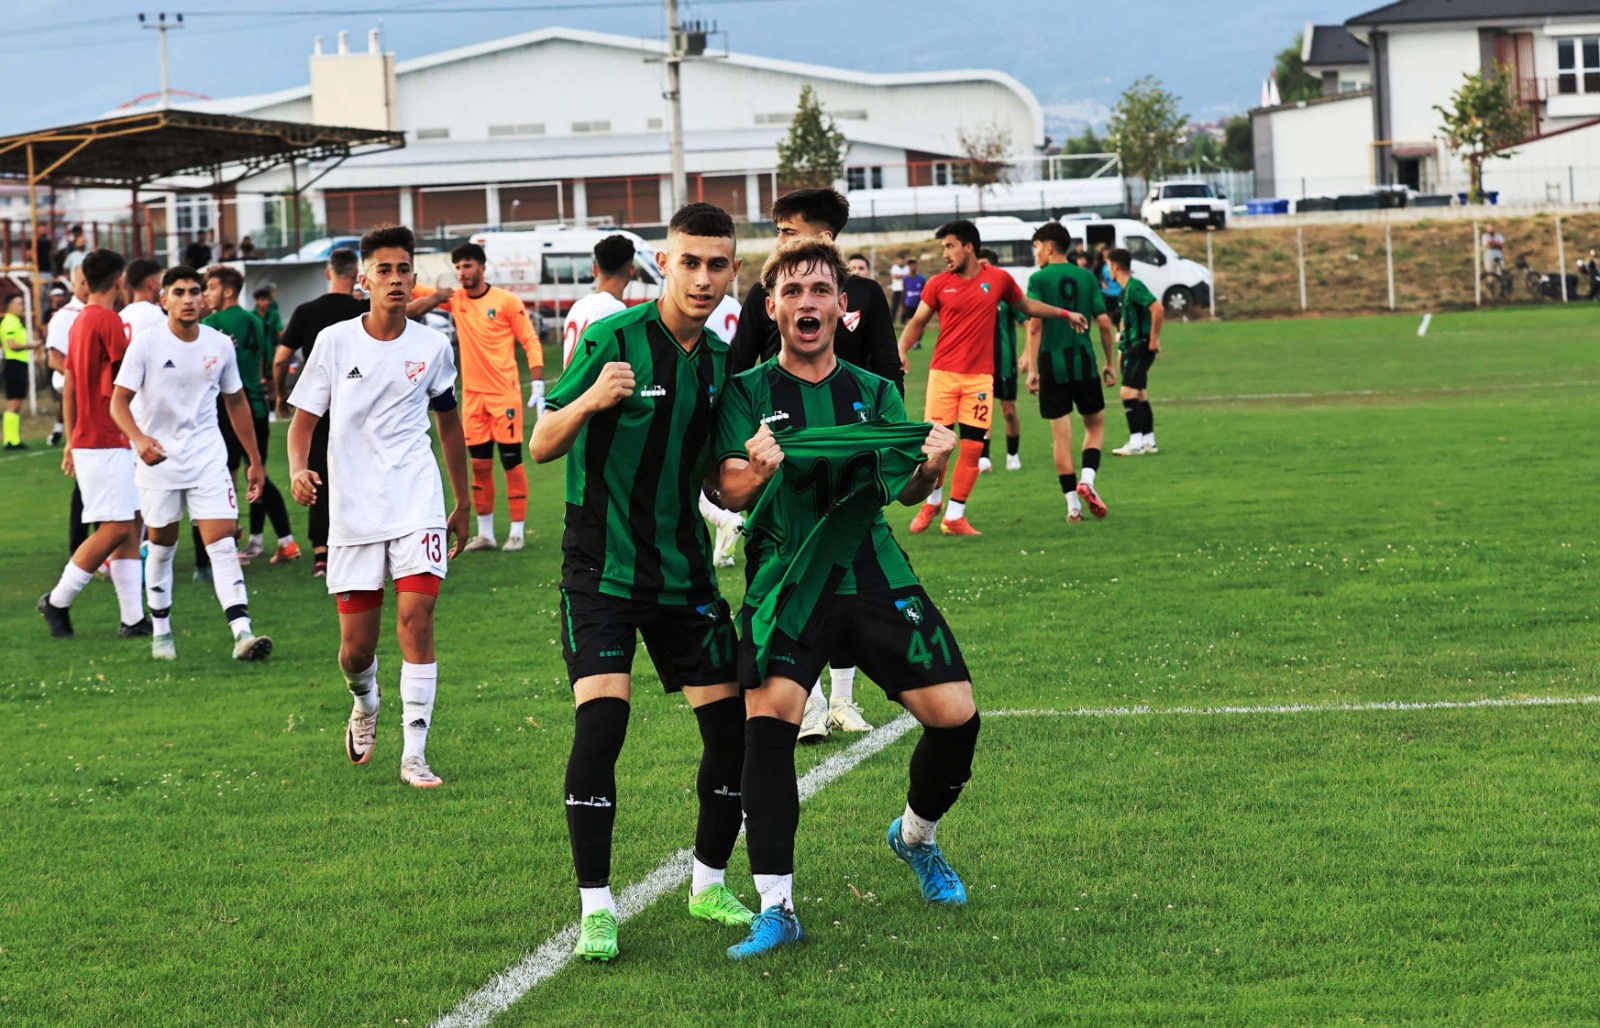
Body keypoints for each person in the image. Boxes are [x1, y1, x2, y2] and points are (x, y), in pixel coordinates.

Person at [714, 238, 972, 960]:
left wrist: (929, 467)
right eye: (792, 291)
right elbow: (725, 487)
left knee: (956, 721)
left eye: (820, 290)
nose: (807, 302)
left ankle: (916, 838)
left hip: (872, 573)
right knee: (769, 728)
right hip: (786, 581)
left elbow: (906, 488)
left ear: (842, 308)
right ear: (772, 309)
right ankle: (777, 907)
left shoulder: (877, 392)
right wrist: (755, 472)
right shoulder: (749, 392)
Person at [530, 203, 749, 964]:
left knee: (731, 735)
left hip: (684, 572)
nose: (702, 278)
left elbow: (725, 490)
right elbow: (542, 441)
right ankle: (596, 906)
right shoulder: (610, 339)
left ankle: (709, 882)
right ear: (665, 260)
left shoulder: (723, 366)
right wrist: (590, 399)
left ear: (732, 271)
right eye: (690, 262)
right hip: (601, 572)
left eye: (717, 264)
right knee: (603, 726)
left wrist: (758, 467)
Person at [287, 224, 470, 790]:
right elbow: (302, 423)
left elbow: (449, 426)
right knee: (354, 650)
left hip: (416, 498)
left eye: (404, 269)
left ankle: (415, 754)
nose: (395, 279)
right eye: (384, 270)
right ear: (362, 277)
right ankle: (365, 701)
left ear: (415, 277)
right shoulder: (335, 342)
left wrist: (462, 500)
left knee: (416, 619)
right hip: (353, 512)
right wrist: (298, 468)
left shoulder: (433, 346)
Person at [728, 187, 901, 741]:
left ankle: (843, 701)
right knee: (790, 583)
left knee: (848, 574)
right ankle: (805, 701)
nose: (779, 240)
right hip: (787, 465)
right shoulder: (771, 295)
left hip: (850, 474)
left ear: (822, 237)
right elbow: (742, 363)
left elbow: (886, 365)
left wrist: (891, 439)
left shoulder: (865, 294)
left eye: (788, 230)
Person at [111, 265, 272, 662]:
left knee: (222, 542)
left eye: (195, 292)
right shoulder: (147, 345)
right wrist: (140, 439)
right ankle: (162, 632)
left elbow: (235, 402)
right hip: (159, 464)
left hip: (208, 459)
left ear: (204, 298)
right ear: (163, 299)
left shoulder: (220, 344)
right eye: (178, 292)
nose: (188, 299)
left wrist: (254, 460)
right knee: (163, 548)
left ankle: (242, 633)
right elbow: (118, 402)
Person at [897, 219, 1087, 536]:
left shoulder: (998, 280)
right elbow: (918, 321)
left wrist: (1065, 313)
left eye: (949, 246)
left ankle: (955, 516)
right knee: (936, 449)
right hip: (943, 376)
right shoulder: (938, 284)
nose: (945, 253)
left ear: (968, 246)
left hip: (980, 380)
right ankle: (932, 501)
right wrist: (901, 350)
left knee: (972, 448)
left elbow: (1026, 306)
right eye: (943, 247)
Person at [36, 250, 149, 639]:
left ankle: (133, 619)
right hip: (106, 436)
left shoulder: (80, 321)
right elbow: (127, 383)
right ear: (119, 281)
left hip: (91, 436)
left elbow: (68, 386)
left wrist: (70, 437)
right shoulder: (108, 321)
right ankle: (58, 599)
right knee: (117, 526)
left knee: (130, 523)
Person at [409, 242, 542, 552]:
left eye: (467, 266)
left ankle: (518, 532)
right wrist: (400, 275)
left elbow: (530, 341)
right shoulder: (457, 301)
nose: (462, 273)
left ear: (482, 267)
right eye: (458, 268)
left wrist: (536, 383)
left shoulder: (506, 301)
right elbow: (419, 291)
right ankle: (486, 535)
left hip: (504, 396)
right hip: (472, 399)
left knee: (512, 464)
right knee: (479, 466)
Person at [275, 247, 367, 578]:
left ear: (329, 273)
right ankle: (362, 543)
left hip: (318, 404)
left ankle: (321, 554)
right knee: (361, 471)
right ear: (356, 275)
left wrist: (279, 394)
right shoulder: (364, 310)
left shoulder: (305, 311)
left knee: (316, 474)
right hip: (358, 403)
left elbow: (280, 358)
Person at [202, 266, 297, 564]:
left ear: (228, 291)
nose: (205, 294)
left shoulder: (210, 323)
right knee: (256, 473)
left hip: (227, 407)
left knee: (224, 477)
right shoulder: (256, 321)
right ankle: (271, 540)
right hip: (256, 406)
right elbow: (269, 361)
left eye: (211, 287)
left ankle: (229, 545)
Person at [1024, 223, 1118, 522]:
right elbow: (1104, 323)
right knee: (1095, 426)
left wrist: (1032, 368)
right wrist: (1109, 363)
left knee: (1061, 438)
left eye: (1037, 246)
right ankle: (1087, 481)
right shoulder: (1087, 276)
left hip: (1053, 365)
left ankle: (1072, 507)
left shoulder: (1038, 278)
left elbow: (1035, 324)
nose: (1036, 253)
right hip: (1083, 362)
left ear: (1049, 247)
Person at [1107, 247, 1164, 456]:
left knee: (1127, 392)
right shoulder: (1125, 290)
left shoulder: (1135, 286)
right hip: (1131, 346)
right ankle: (1149, 441)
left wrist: (1153, 338)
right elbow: (1125, 321)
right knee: (1139, 394)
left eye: (1108, 265)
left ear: (1115, 266)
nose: (1107, 270)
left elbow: (1157, 308)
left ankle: (1136, 442)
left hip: (1140, 346)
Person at [974, 247, 1025, 474]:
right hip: (979, 364)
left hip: (1005, 362)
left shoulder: (1006, 294)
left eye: (985, 264)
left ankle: (1013, 454)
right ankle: (984, 456)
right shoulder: (974, 293)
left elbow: (1029, 321)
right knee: (982, 410)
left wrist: (1027, 354)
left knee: (1008, 410)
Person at [561, 234, 634, 369]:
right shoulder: (616, 310)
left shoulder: (577, 307)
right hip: (595, 388)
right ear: (631, 270)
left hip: (572, 388)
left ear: (595, 269)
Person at [3, 293, 36, 450]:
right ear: (10, 305)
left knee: (17, 403)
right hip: (14, 364)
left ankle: (13, 439)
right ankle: (10, 440)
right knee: (14, 403)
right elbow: (11, 345)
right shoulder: (9, 322)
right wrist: (31, 345)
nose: (22, 306)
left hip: (19, 364)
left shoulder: (15, 321)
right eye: (19, 303)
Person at [120, 258, 168, 342]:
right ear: (151, 283)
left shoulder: (121, 315)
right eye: (160, 279)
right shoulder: (157, 315)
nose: (162, 285)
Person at [900, 258, 925, 341]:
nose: (912, 267)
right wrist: (902, 305)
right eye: (910, 265)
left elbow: (925, 292)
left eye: (914, 264)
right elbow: (904, 292)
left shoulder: (921, 278)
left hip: (919, 304)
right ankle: (910, 340)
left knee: (920, 323)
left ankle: (918, 341)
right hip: (909, 304)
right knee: (909, 323)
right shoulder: (905, 279)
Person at [889, 251, 909, 325]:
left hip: (904, 289)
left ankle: (903, 321)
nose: (901, 261)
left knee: (904, 306)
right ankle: (891, 321)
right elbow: (895, 276)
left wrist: (900, 276)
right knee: (894, 306)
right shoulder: (894, 267)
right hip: (896, 289)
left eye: (902, 259)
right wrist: (903, 276)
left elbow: (907, 276)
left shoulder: (907, 267)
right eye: (900, 259)